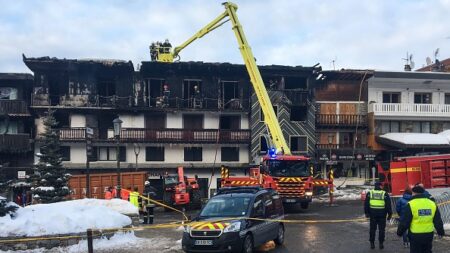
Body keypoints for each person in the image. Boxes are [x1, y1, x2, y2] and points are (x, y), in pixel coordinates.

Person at [397, 185, 444, 253]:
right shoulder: (432, 204)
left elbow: (405, 221)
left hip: (415, 235)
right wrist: (440, 232)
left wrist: (399, 232)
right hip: (428, 234)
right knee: (427, 251)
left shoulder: (411, 204)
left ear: (413, 193)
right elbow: (437, 220)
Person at [364, 182, 392, 250]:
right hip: (382, 214)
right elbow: (388, 205)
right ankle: (381, 243)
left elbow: (366, 204)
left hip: (372, 214)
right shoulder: (384, 193)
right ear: (380, 186)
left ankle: (372, 243)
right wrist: (390, 214)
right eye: (381, 186)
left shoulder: (370, 193)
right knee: (381, 230)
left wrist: (367, 213)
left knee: (372, 229)